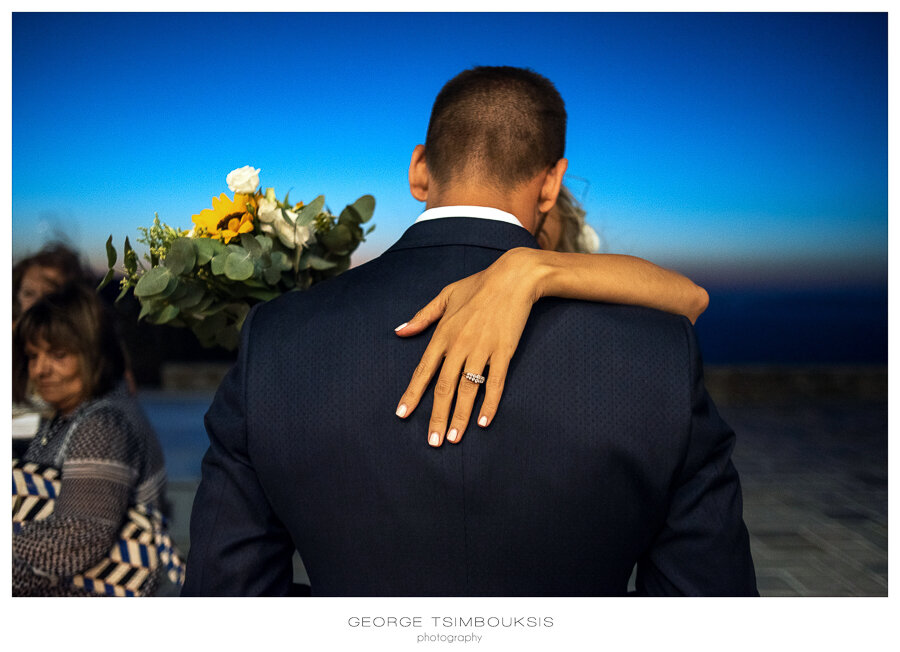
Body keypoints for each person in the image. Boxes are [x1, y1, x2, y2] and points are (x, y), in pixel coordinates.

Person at [184, 65, 756, 596]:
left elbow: (226, 602)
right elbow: (709, 611)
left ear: (419, 167)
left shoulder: (278, 340)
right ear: (552, 183)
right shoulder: (656, 354)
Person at [12, 284, 169, 596]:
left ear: (93, 351)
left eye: (58, 355)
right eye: (33, 356)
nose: (41, 369)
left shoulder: (103, 424)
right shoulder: (66, 415)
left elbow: (77, 537)